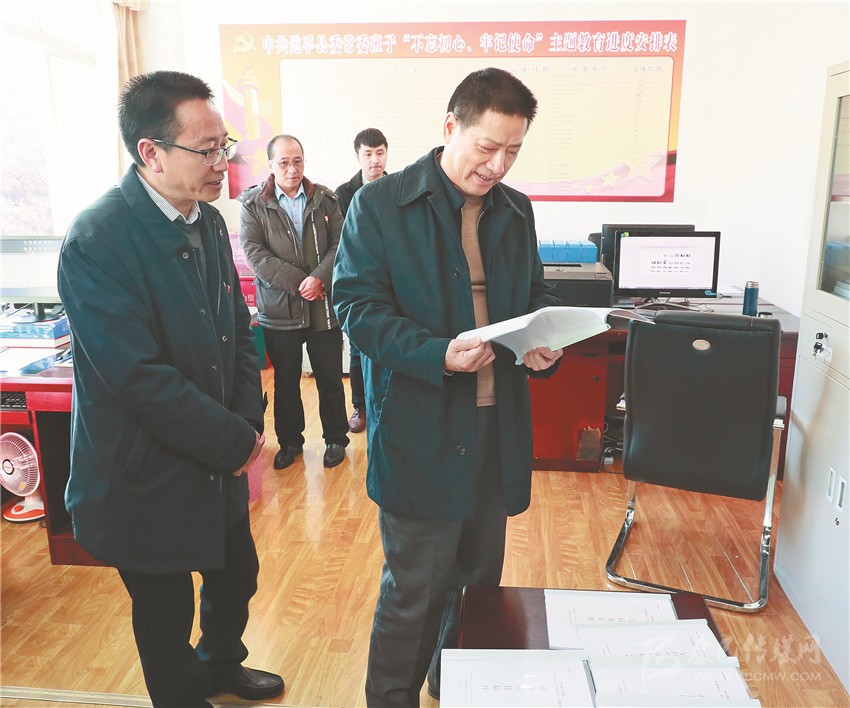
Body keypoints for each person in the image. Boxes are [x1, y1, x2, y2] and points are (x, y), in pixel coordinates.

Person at [332, 67, 563, 705]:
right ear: (449, 127)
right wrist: (437, 354)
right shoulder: (381, 205)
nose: (498, 165)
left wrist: (545, 337)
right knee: (415, 589)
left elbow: (535, 292)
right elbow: (356, 309)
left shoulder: (515, 209)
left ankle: (455, 685)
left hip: (494, 426)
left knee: (477, 585)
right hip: (422, 426)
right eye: (486, 147)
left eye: (512, 151)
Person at [57, 70, 284, 707]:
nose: (222, 162)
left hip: (214, 453)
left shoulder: (205, 221)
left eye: (224, 145)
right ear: (150, 153)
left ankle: (220, 666)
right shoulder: (97, 238)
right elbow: (136, 378)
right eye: (206, 149)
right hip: (143, 469)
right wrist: (231, 442)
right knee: (165, 610)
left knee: (235, 575)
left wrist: (247, 422)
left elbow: (239, 332)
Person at [238, 134, 349, 469]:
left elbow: (341, 243)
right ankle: (290, 442)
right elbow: (256, 255)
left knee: (329, 377)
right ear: (271, 165)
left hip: (322, 306)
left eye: (297, 161)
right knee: (286, 382)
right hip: (279, 307)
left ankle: (335, 439)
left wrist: (319, 279)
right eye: (284, 163)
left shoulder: (325, 199)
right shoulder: (254, 204)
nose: (292, 169)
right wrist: (302, 283)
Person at [335, 128, 389, 434]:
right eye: (368, 154)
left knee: (390, 346)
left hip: (391, 280)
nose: (375, 160)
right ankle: (360, 406)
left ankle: (388, 404)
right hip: (360, 279)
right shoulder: (344, 193)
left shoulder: (398, 187)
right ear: (358, 156)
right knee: (358, 350)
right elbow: (343, 242)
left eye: (380, 152)